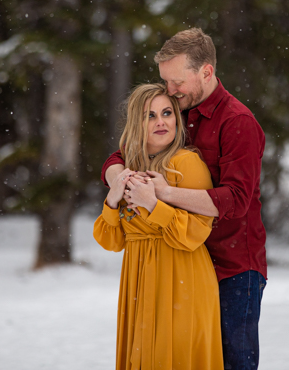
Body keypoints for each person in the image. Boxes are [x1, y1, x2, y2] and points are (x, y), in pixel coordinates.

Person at [103, 28, 267, 370]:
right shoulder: (176, 110)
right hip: (183, 259)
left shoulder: (237, 122)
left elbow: (236, 200)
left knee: (233, 361)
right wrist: (119, 178)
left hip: (233, 266)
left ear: (206, 72)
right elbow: (123, 153)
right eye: (165, 81)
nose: (169, 90)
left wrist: (162, 193)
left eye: (176, 81)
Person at [93, 83, 223, 370]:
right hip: (138, 277)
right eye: (150, 115)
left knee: (173, 357)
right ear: (136, 123)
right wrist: (113, 200)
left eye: (167, 112)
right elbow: (112, 241)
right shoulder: (129, 167)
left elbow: (197, 231)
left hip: (182, 274)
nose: (161, 121)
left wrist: (153, 206)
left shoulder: (186, 163)